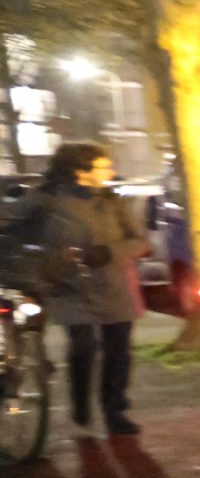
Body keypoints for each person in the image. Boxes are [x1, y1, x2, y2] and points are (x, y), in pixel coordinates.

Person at [31, 141, 151, 437]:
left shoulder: (113, 201)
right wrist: (50, 259)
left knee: (118, 352)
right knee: (83, 347)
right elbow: (22, 237)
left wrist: (109, 253)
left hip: (115, 285)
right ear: (80, 171)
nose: (111, 170)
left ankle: (115, 410)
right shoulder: (47, 202)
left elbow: (141, 241)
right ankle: (81, 406)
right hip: (72, 288)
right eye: (104, 166)